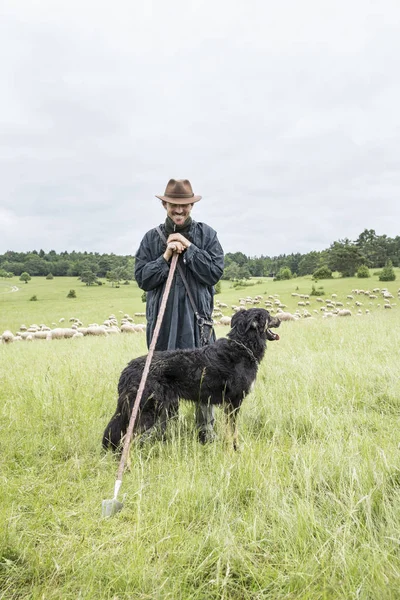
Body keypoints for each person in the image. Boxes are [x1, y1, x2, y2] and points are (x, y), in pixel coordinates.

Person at [134, 178, 224, 443]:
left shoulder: (207, 236)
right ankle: (162, 430)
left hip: (197, 322)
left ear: (192, 205)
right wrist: (164, 257)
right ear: (164, 204)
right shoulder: (151, 239)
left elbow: (214, 273)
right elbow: (143, 278)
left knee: (204, 374)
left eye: (185, 205)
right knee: (162, 375)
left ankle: (205, 430)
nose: (179, 210)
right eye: (174, 205)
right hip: (163, 324)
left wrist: (190, 249)